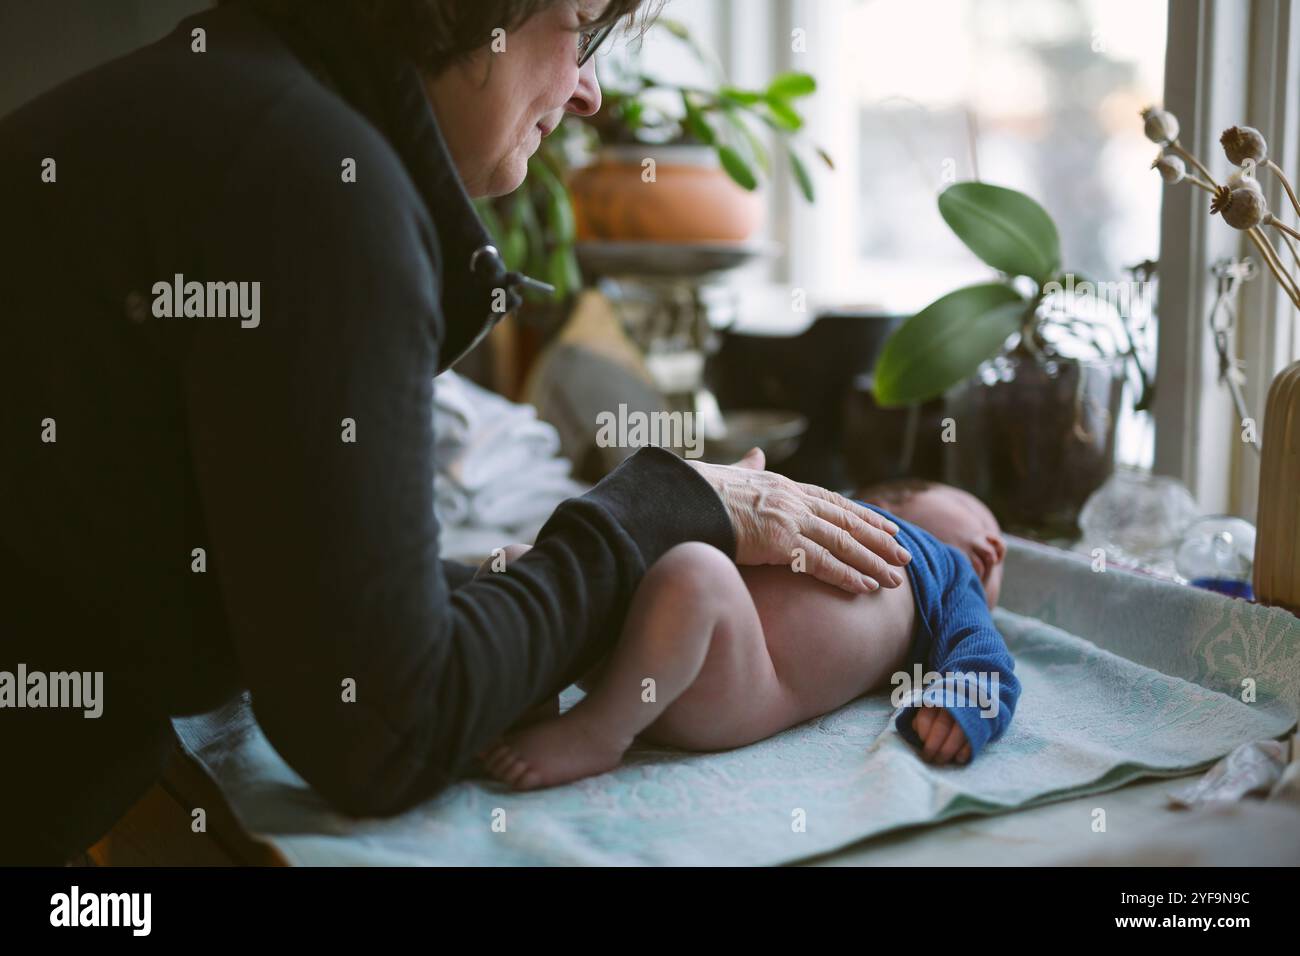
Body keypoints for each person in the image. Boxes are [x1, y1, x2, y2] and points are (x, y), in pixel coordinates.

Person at [0, 0, 911, 863]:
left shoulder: (226, 100)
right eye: (581, 28)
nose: (589, 92)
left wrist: (527, 592)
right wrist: (660, 508)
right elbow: (381, 733)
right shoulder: (314, 184)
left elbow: (292, 598)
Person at [479, 480, 1020, 789]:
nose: (995, 548)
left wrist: (962, 701)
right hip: (644, 640)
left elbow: (983, 653)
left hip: (731, 675)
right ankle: (522, 702)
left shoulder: (950, 576)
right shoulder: (800, 499)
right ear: (893, 493)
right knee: (517, 564)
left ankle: (597, 732)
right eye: (977, 512)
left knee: (698, 573)